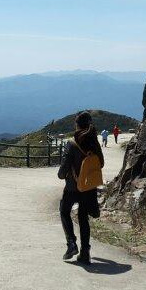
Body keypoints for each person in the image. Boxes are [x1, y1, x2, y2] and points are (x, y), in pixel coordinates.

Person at [58, 112, 104, 264]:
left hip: (72, 187)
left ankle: (71, 243)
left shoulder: (71, 143)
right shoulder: (94, 142)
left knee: (64, 211)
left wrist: (62, 174)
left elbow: (63, 171)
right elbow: (101, 164)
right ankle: (85, 252)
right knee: (83, 218)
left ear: (76, 125)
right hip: (88, 188)